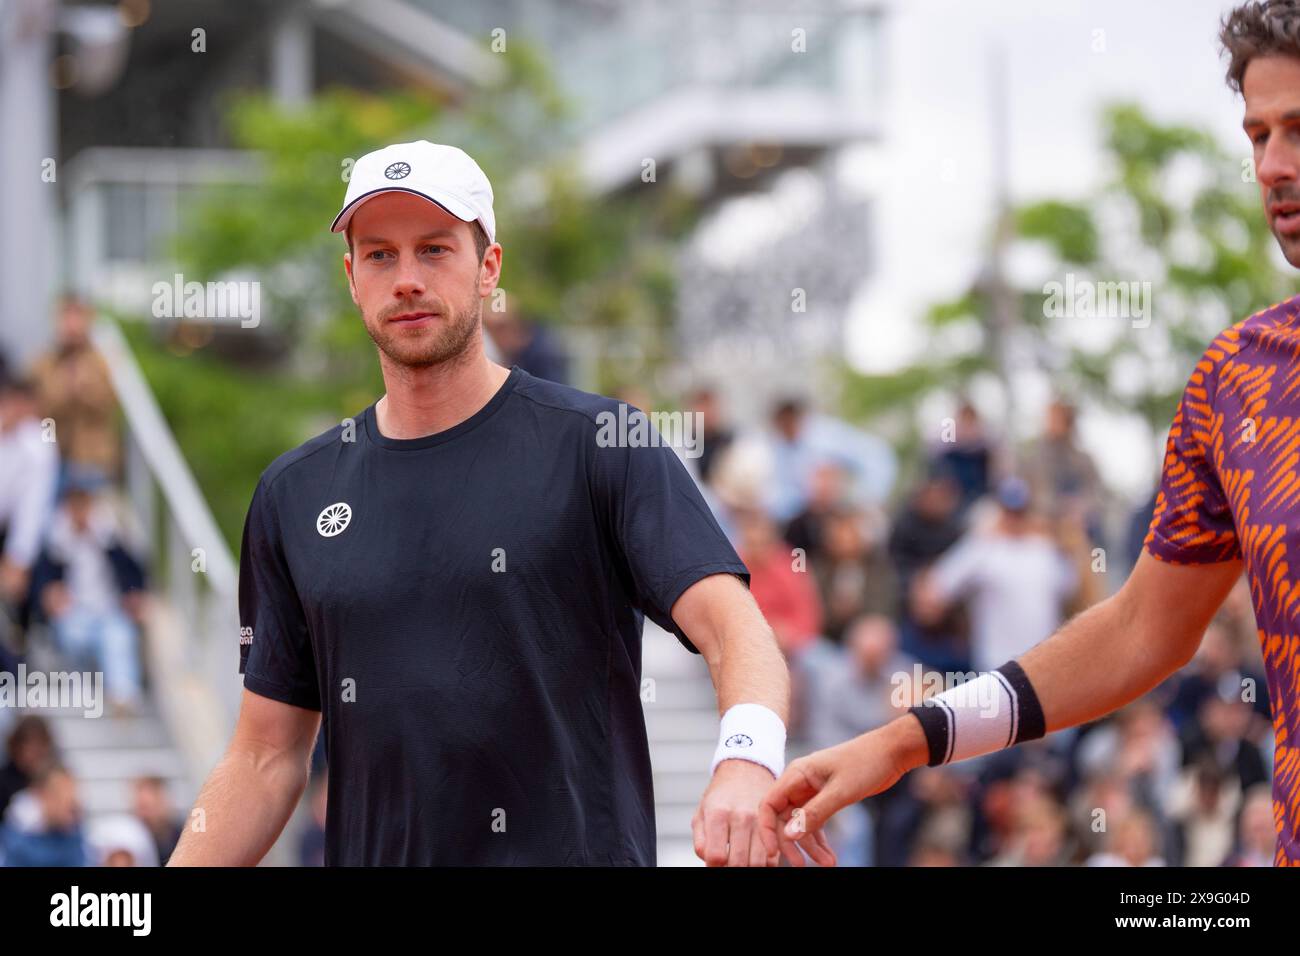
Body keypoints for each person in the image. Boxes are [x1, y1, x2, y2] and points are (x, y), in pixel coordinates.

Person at [169, 140, 824, 867]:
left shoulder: (601, 444)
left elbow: (737, 629)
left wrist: (745, 760)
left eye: (436, 249)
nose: (408, 279)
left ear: (489, 268)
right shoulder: (294, 494)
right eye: (380, 255)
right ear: (352, 277)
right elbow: (264, 758)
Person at [758, 1, 1300, 867]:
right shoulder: (1238, 382)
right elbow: (1137, 633)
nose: (1272, 164)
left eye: (1298, 130)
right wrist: (902, 741)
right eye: (1258, 134)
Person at [29, 294, 121, 483]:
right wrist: (64, 388)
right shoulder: (43, 362)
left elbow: (109, 402)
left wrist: (83, 389)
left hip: (92, 458)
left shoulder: (101, 361)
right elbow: (37, 408)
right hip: (52, 455)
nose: (72, 324)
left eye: (78, 316)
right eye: (66, 316)